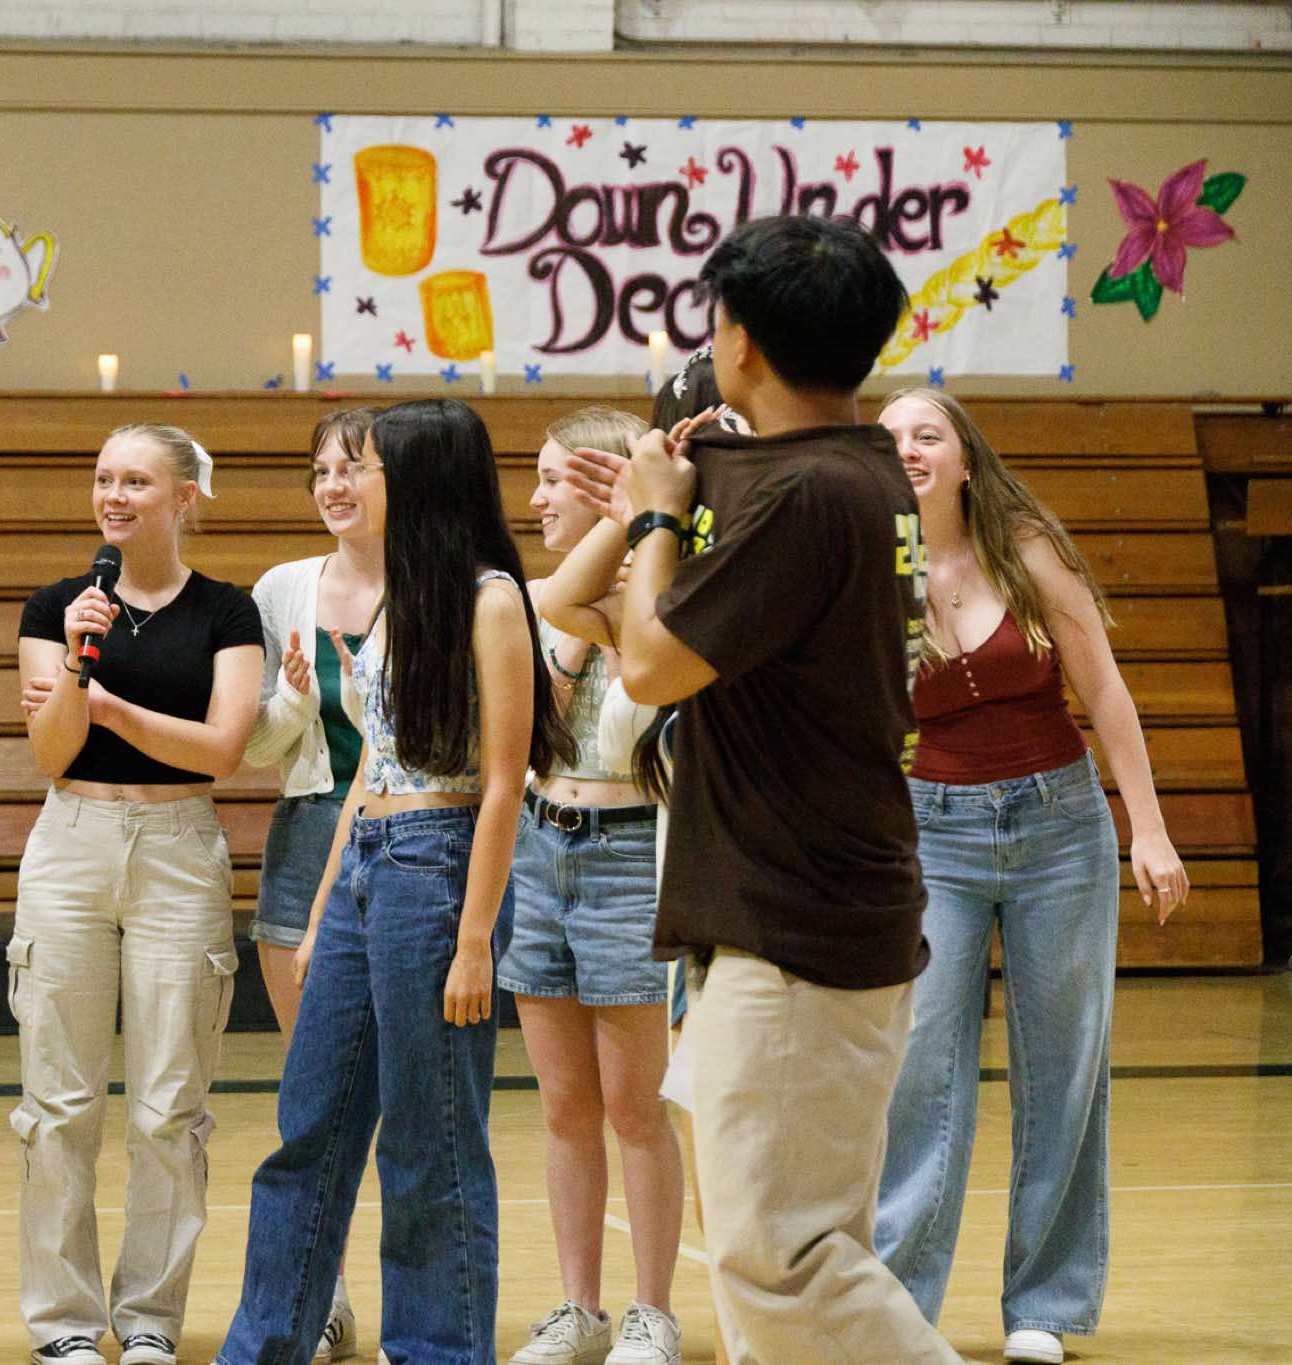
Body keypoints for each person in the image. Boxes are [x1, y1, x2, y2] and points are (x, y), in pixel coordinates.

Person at [611, 214, 963, 1364]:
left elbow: (648, 665)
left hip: (793, 922)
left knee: (780, 1260)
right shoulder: (853, 473)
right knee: (801, 1257)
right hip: (813, 909)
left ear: (742, 343)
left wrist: (654, 515)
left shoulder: (806, 493)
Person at [216, 397, 573, 1365]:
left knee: (428, 1138)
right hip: (365, 857)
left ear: (420, 476)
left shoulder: (489, 597)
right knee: (310, 1123)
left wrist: (474, 939)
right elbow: (371, 764)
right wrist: (324, 906)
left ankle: (437, 1350)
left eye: (367, 464)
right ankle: (262, 1346)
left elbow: (503, 782)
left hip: (437, 866)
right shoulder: (397, 599)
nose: (349, 480)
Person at [874, 388, 1190, 1365]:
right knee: (920, 1069)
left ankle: (1043, 1306)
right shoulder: (870, 566)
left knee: (1063, 1068)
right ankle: (896, 1308)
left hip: (1058, 827)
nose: (908, 448)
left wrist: (1148, 829)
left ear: (965, 459)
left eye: (927, 433)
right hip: (934, 833)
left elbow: (1102, 685)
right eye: (889, 438)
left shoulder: (1024, 545)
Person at [12, 423, 265, 1365]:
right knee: (59, 1103)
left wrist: (107, 705)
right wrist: (79, 661)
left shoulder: (227, 611)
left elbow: (221, 750)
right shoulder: (56, 608)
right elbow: (52, 750)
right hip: (71, 843)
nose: (113, 496)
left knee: (168, 1106)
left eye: (136, 481)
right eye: (103, 479)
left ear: (184, 498)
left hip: (178, 847)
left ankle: (152, 1317)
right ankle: (65, 1323)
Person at [497, 405, 686, 1365]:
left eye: (551, 480)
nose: (533, 500)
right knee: (565, 1104)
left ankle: (653, 1311)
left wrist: (638, 520)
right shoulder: (542, 599)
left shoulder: (666, 597)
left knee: (634, 1104)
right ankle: (580, 1306)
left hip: (631, 854)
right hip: (542, 848)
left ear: (608, 485)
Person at [242, 406, 384, 1362]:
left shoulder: (438, 582)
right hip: (304, 840)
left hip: (411, 838)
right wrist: (294, 698)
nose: (333, 485)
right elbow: (255, 744)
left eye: (353, 467)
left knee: (408, 1097)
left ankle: (417, 1305)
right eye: (321, 470)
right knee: (315, 1099)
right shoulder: (282, 588)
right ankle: (323, 1299)